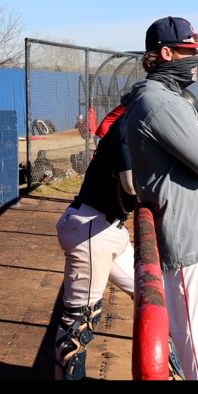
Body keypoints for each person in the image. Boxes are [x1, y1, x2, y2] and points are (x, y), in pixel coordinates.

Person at [121, 16, 198, 380]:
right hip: (183, 240)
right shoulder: (159, 102)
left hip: (189, 234)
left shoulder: (164, 97)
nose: (194, 61)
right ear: (165, 53)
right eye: (188, 52)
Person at [54, 113, 137, 380]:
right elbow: (131, 187)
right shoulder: (129, 125)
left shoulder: (137, 125)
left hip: (108, 229)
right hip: (92, 229)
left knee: (152, 293)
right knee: (79, 323)